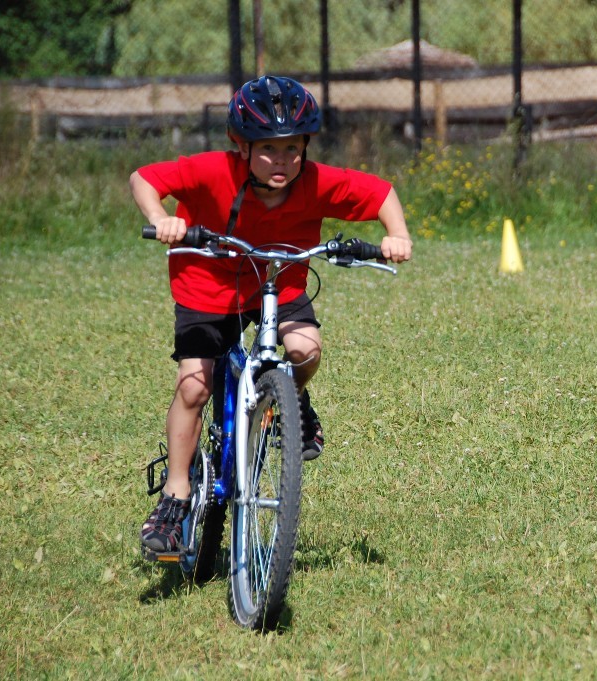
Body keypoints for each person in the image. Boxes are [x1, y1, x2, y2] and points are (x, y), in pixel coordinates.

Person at [131, 75, 412, 555]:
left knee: (305, 348)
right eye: (267, 149)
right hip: (207, 284)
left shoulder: (317, 181)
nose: (281, 161)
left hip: (278, 281)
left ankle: (291, 400)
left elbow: (380, 193)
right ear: (240, 146)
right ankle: (175, 497)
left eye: (292, 149)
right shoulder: (211, 170)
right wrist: (162, 220)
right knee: (194, 385)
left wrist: (397, 234)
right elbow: (144, 179)